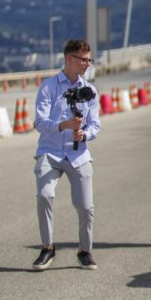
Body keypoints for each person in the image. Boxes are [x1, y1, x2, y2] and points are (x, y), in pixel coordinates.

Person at [31, 39, 101, 271]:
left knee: (86, 207)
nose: (87, 64)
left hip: (78, 154)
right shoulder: (49, 87)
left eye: (89, 60)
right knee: (44, 195)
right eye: (84, 60)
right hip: (50, 152)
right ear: (70, 59)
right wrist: (64, 125)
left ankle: (84, 251)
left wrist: (84, 134)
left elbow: (95, 125)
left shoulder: (90, 91)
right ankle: (48, 248)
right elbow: (39, 122)